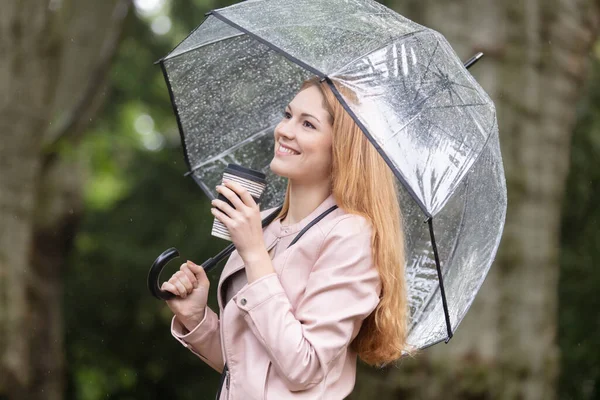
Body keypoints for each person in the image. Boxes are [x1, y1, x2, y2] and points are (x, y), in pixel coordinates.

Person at [161, 76, 410, 399]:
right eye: (288, 114)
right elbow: (248, 369)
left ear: (343, 147)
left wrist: (253, 254)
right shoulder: (264, 223)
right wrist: (197, 318)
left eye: (308, 124)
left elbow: (303, 367)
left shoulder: (350, 236)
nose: (285, 130)